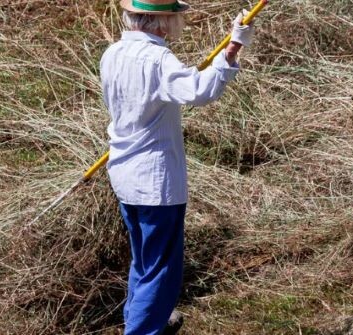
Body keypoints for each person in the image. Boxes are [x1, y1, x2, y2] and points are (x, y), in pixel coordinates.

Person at [99, 0, 254, 334]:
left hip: (123, 172)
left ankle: (141, 318)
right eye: (176, 17)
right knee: (160, 269)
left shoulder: (111, 53)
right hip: (155, 181)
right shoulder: (158, 60)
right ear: (162, 21)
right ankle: (143, 329)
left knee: (143, 259)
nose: (179, 23)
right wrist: (234, 47)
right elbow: (199, 91)